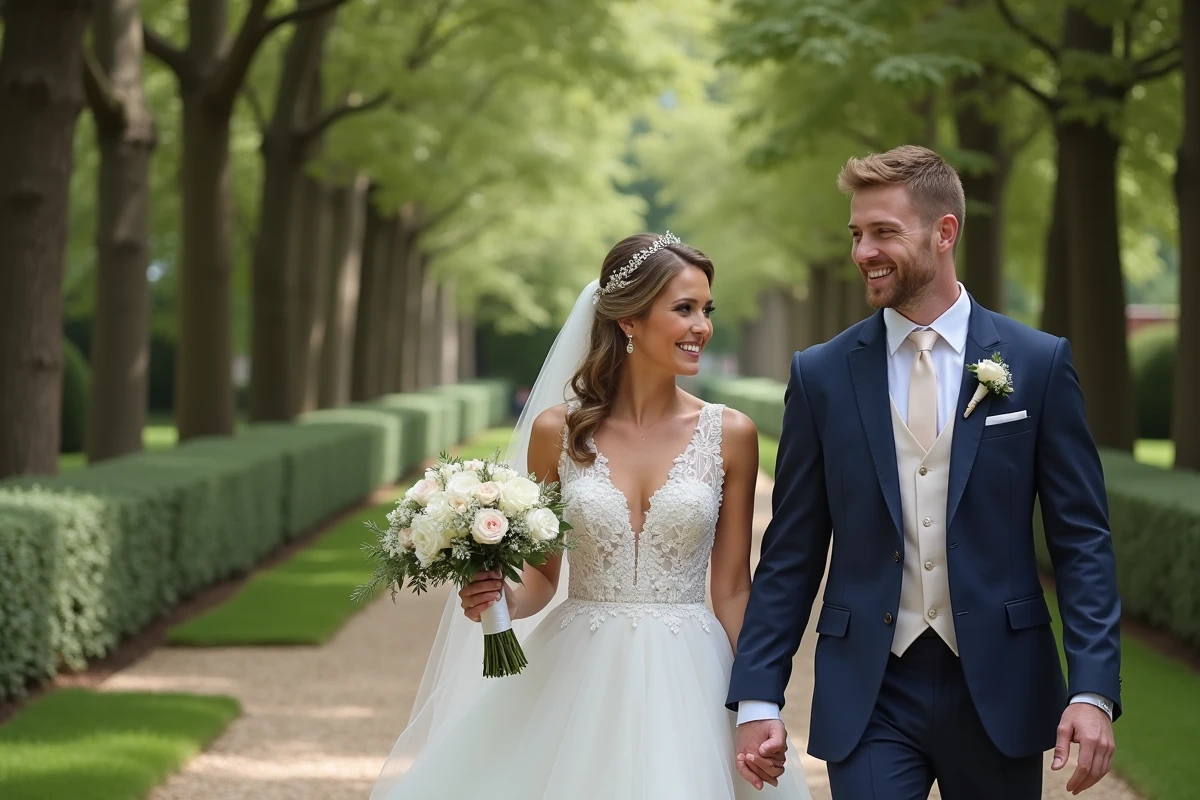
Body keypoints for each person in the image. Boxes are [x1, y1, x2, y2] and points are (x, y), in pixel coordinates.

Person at [728, 145, 1122, 799]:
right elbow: (792, 551)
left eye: (883, 232)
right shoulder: (821, 375)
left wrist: (1092, 689)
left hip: (1002, 686)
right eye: (857, 233)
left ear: (945, 233)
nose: (863, 252)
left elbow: (1082, 543)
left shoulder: (1038, 362)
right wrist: (759, 697)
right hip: (870, 690)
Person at [369, 232, 812, 799]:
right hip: (577, 668)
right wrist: (499, 596)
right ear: (629, 322)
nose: (702, 326)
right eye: (683, 309)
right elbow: (541, 577)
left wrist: (758, 699)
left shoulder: (730, 435)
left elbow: (731, 589)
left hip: (693, 673)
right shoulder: (558, 431)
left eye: (706, 309)